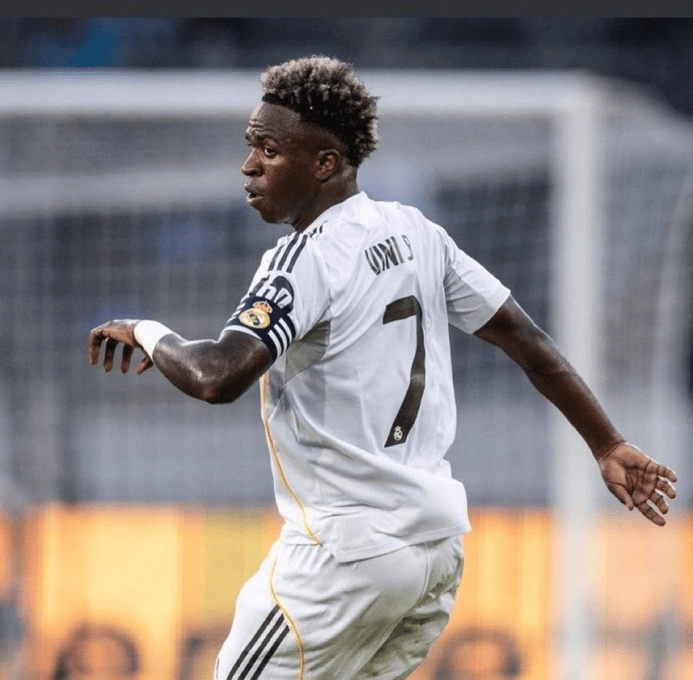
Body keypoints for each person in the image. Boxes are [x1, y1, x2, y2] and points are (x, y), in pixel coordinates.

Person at [88, 56, 678, 680]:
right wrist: (606, 443)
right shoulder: (416, 232)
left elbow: (217, 376)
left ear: (325, 164)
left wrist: (150, 332)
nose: (249, 165)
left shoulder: (303, 261)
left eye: (268, 150)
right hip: (432, 555)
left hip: (343, 559)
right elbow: (524, 339)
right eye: (251, 146)